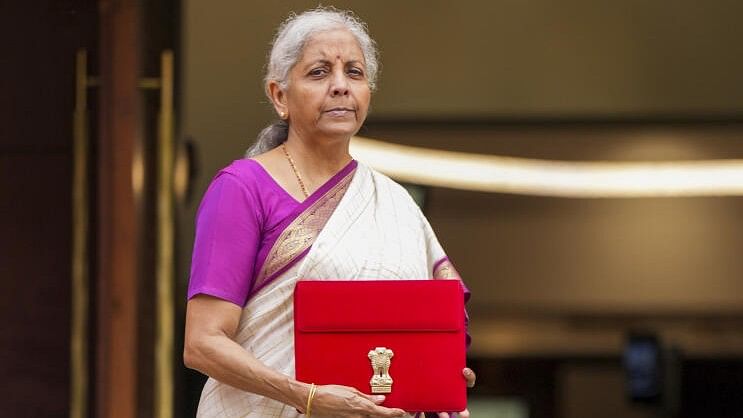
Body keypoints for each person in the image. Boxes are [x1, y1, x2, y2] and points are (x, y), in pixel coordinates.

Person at [184, 7, 475, 418]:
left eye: (354, 72)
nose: (340, 86)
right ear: (279, 96)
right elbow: (202, 343)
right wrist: (308, 397)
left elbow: (437, 319)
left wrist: (440, 370)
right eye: (319, 73)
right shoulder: (243, 189)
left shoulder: (395, 202)